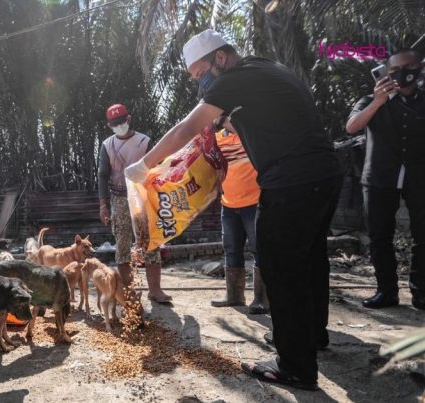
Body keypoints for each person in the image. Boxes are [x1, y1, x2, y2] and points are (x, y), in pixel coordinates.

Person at [124, 29, 342, 391]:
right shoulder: (266, 69)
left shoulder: (235, 79)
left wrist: (145, 165)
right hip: (324, 174)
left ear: (219, 59)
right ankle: (310, 338)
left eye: (199, 74)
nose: (199, 82)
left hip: (290, 180)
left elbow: (187, 127)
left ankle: (295, 365)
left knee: (280, 266)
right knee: (310, 260)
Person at [346, 48, 425, 310]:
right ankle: (386, 291)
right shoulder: (370, 100)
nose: (403, 74)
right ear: (385, 74)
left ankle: (421, 292)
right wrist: (378, 101)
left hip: (419, 177)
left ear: (419, 68)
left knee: (422, 236)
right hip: (379, 177)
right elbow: (352, 127)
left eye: (409, 67)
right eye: (395, 71)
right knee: (380, 237)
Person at [98, 104, 171, 304]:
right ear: (109, 125)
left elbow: (158, 169)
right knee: (122, 244)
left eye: (122, 121)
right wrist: (103, 205)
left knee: (150, 243)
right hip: (119, 199)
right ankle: (128, 292)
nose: (119, 126)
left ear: (128, 119)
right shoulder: (107, 145)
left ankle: (155, 290)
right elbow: (103, 176)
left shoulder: (144, 141)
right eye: (115, 124)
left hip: (143, 197)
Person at [211, 120, 268, 314]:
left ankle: (262, 299)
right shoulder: (217, 139)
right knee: (231, 249)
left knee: (259, 249)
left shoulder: (250, 132)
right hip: (229, 204)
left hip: (254, 201)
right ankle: (234, 296)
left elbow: (258, 141)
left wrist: (227, 121)